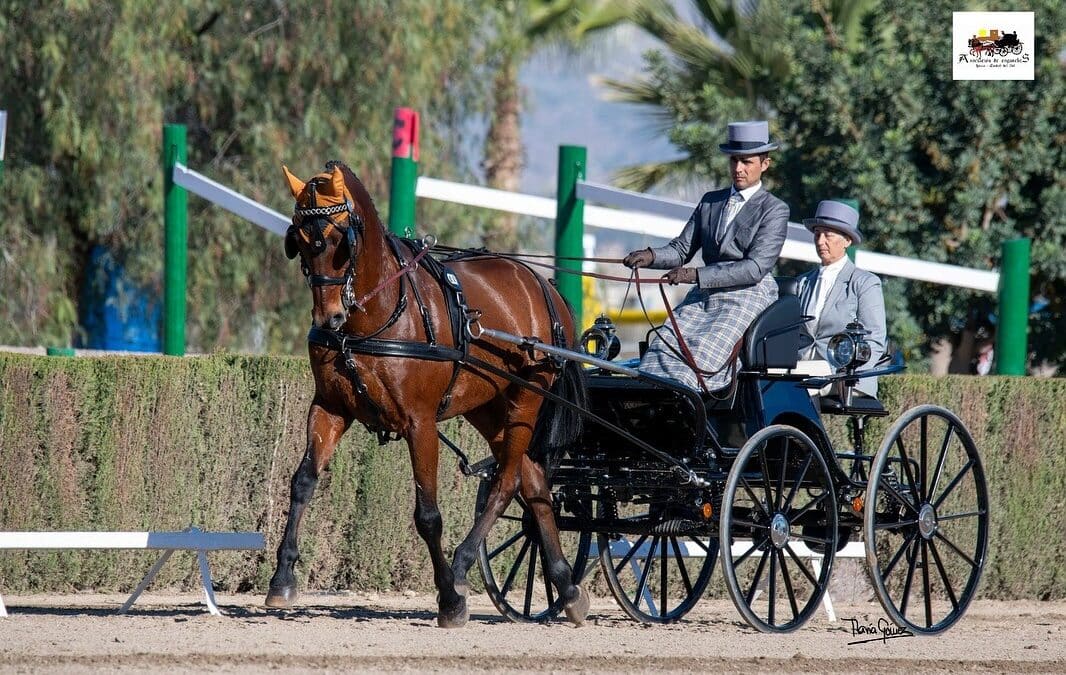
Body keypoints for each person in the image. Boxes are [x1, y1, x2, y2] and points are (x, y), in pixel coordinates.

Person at [622, 121, 789, 392]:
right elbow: (681, 250)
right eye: (734, 161)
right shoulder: (711, 201)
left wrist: (696, 275)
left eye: (746, 162)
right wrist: (650, 256)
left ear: (765, 164)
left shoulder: (774, 210)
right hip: (705, 293)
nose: (738, 169)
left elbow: (755, 267)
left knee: (700, 355)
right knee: (663, 346)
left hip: (747, 294)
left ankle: (690, 409)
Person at [795, 200, 886, 398]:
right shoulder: (803, 283)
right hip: (803, 366)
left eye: (828, 235)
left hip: (843, 372)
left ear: (847, 241)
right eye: (817, 234)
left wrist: (850, 371)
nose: (820, 241)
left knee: (796, 384)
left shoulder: (864, 282)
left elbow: (875, 338)